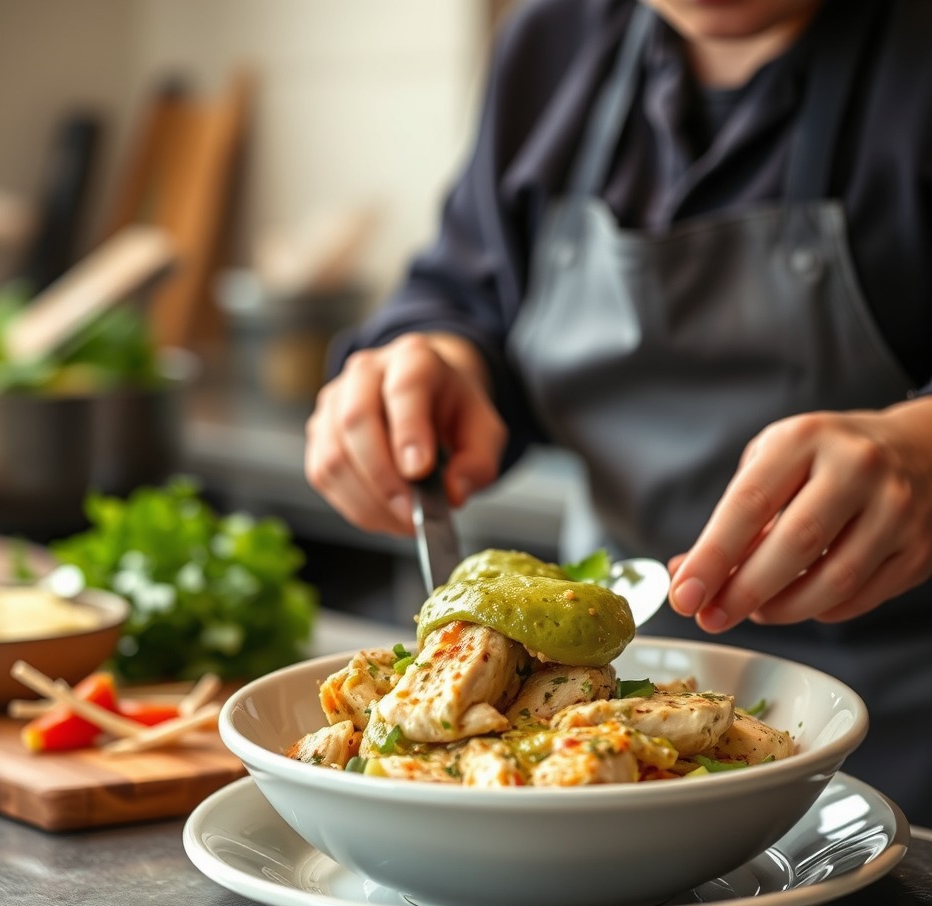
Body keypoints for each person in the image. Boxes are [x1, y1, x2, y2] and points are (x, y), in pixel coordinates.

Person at [303, 0, 932, 825]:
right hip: (586, 755)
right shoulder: (552, 43)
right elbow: (471, 291)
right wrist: (438, 357)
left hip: (906, 759)